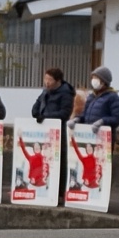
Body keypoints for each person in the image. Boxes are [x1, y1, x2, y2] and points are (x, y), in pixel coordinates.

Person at [33, 67, 75, 200]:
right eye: (45, 79)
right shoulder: (45, 92)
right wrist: (36, 113)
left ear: (58, 81)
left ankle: (60, 191)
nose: (46, 82)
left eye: (49, 80)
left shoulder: (66, 93)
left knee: (59, 161)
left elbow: (65, 113)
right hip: (44, 132)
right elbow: (36, 105)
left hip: (59, 132)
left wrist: (46, 117)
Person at [67, 66, 119, 134]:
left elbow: (117, 119)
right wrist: (77, 119)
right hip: (89, 134)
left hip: (105, 136)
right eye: (93, 78)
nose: (93, 80)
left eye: (96, 78)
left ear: (104, 81)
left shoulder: (113, 97)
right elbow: (84, 115)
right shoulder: (91, 96)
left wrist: (102, 122)